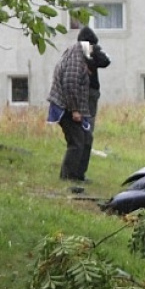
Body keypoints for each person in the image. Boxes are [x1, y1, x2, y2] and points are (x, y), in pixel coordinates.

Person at [48, 37, 93, 183]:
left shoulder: (78, 57)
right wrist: (75, 110)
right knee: (77, 142)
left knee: (86, 139)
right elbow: (70, 84)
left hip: (70, 107)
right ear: (88, 45)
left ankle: (78, 175)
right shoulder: (75, 58)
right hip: (65, 108)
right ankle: (68, 177)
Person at [77, 27, 110, 178]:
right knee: (86, 134)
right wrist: (95, 52)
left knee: (85, 133)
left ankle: (79, 172)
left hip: (86, 94)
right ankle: (78, 171)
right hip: (86, 94)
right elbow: (105, 61)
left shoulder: (83, 52)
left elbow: (104, 62)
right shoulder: (81, 52)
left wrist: (94, 53)